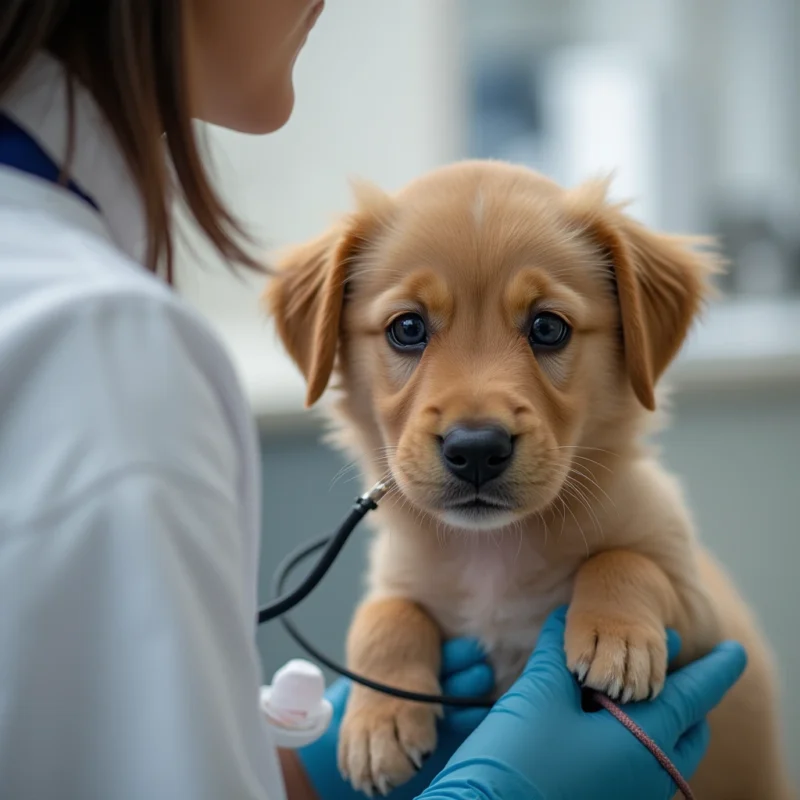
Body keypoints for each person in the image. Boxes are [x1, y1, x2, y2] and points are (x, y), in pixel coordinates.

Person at [0, 3, 747, 799]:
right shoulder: (94, 337)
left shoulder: (75, 295)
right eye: (408, 330)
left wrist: (299, 765)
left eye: (548, 327)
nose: (475, 420)